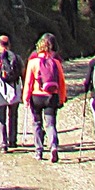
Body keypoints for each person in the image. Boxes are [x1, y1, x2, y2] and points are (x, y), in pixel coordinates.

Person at [23, 33, 67, 162]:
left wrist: (25, 98)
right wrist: (62, 97)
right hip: (51, 96)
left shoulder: (33, 62)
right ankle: (53, 146)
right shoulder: (56, 62)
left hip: (36, 96)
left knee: (37, 123)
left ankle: (39, 150)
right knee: (50, 123)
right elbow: (62, 82)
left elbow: (28, 82)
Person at [0, 34, 24, 152]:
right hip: (14, 90)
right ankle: (13, 141)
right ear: (9, 45)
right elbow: (23, 75)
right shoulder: (17, 58)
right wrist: (24, 90)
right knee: (13, 115)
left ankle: (3, 144)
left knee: (0, 117)